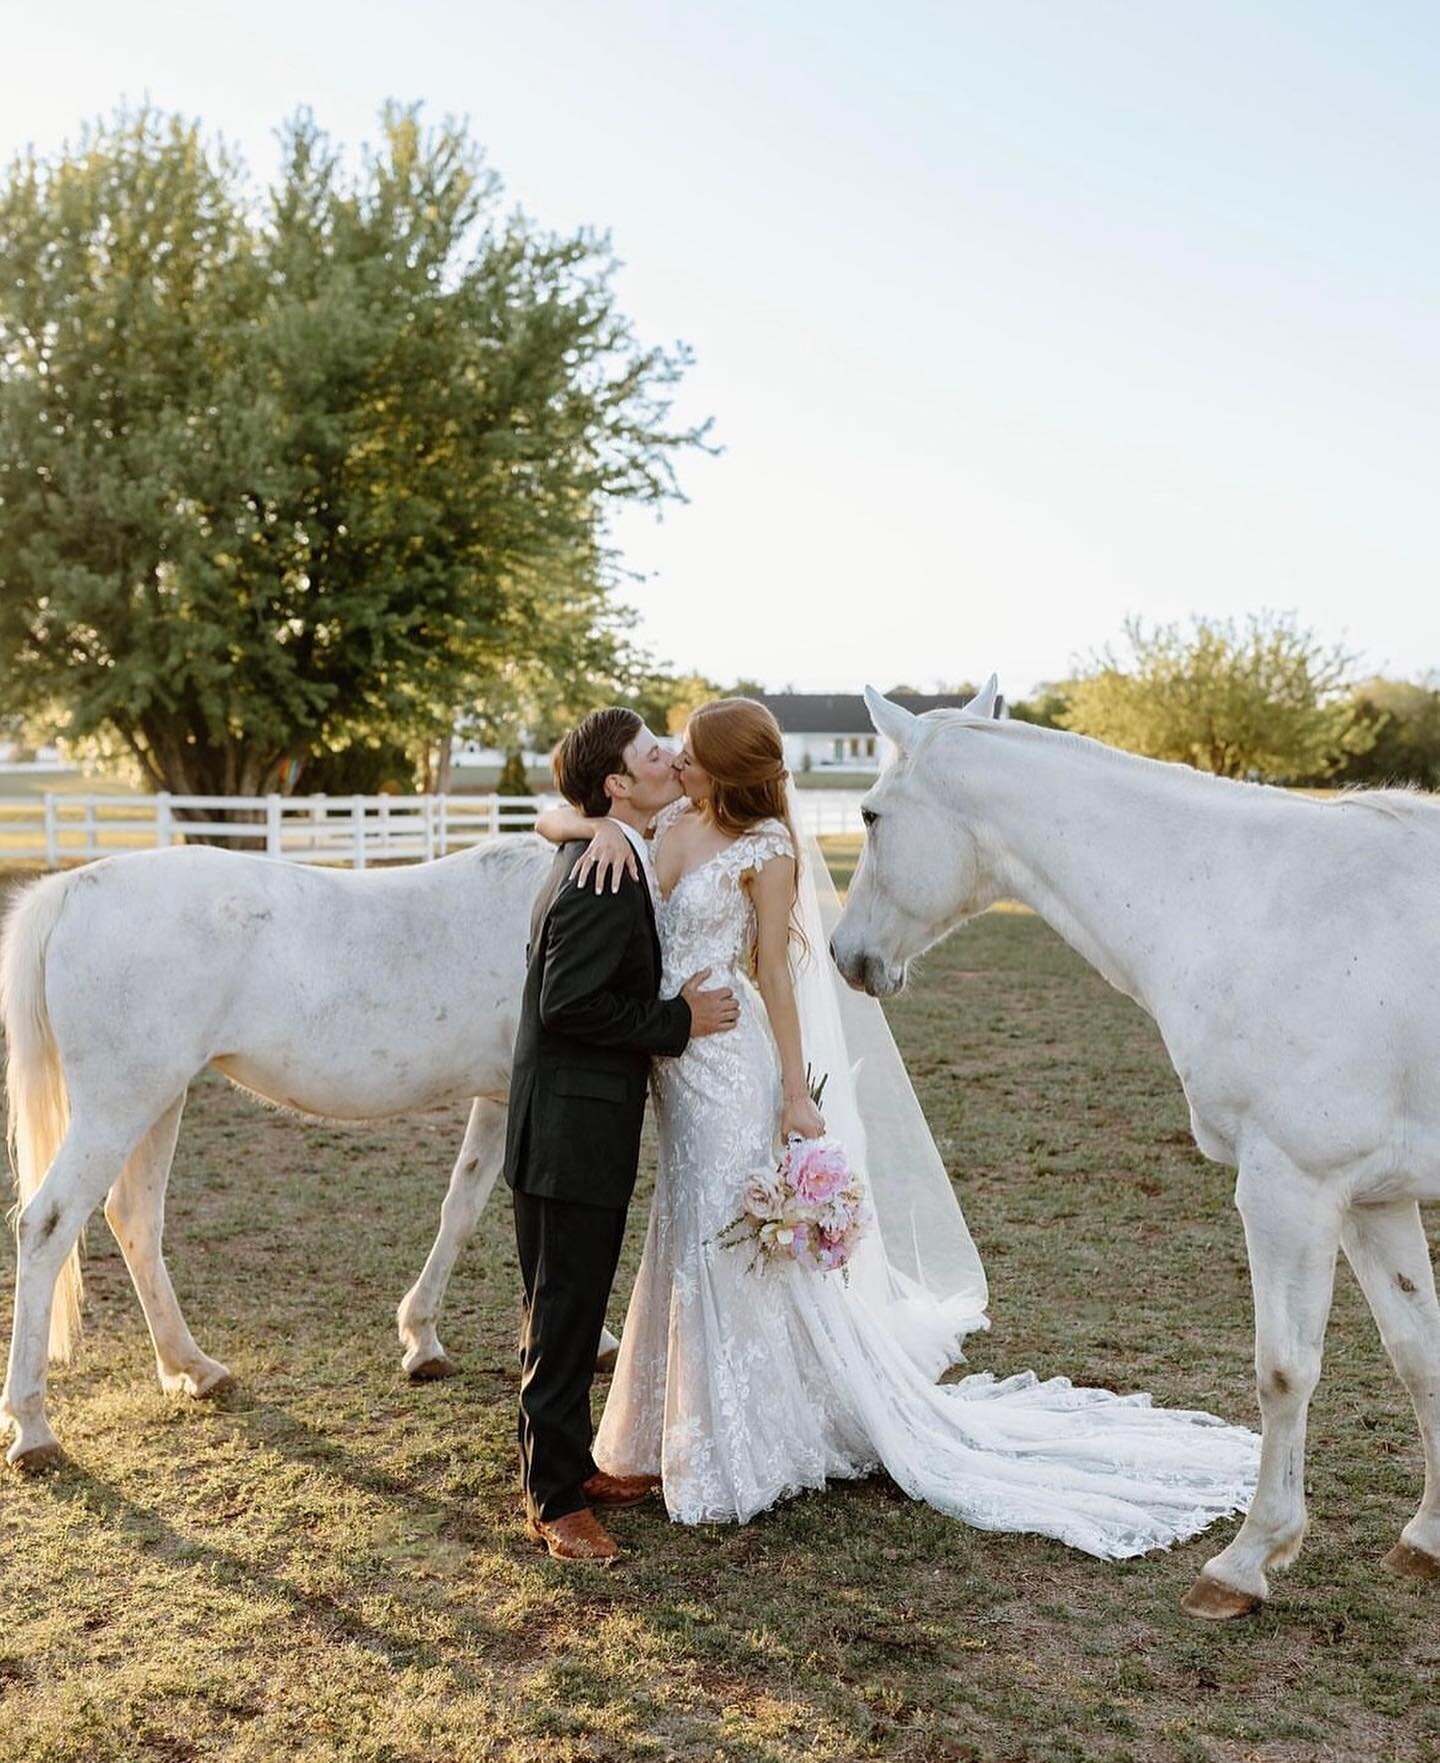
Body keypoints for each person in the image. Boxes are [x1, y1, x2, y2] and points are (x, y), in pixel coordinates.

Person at [534, 698, 1260, 1557]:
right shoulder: (666, 825)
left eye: (689, 753)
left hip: (728, 1057)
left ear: (725, 771)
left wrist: (796, 1097)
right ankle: (666, 1427)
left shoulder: (766, 850)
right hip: (673, 1058)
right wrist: (586, 822)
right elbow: (562, 822)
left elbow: (774, 974)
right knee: (682, 1229)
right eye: (671, 751)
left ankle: (745, 1436)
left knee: (722, 1233)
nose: (676, 761)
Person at [503, 708, 739, 1563]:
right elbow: (568, 1004)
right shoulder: (605, 874)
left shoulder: (612, 842)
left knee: (564, 1304)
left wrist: (588, 819)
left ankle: (565, 1465)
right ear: (617, 783)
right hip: (571, 1130)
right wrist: (677, 1018)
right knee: (563, 1312)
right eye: (651, 752)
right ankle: (555, 1501)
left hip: (571, 1122)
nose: (669, 757)